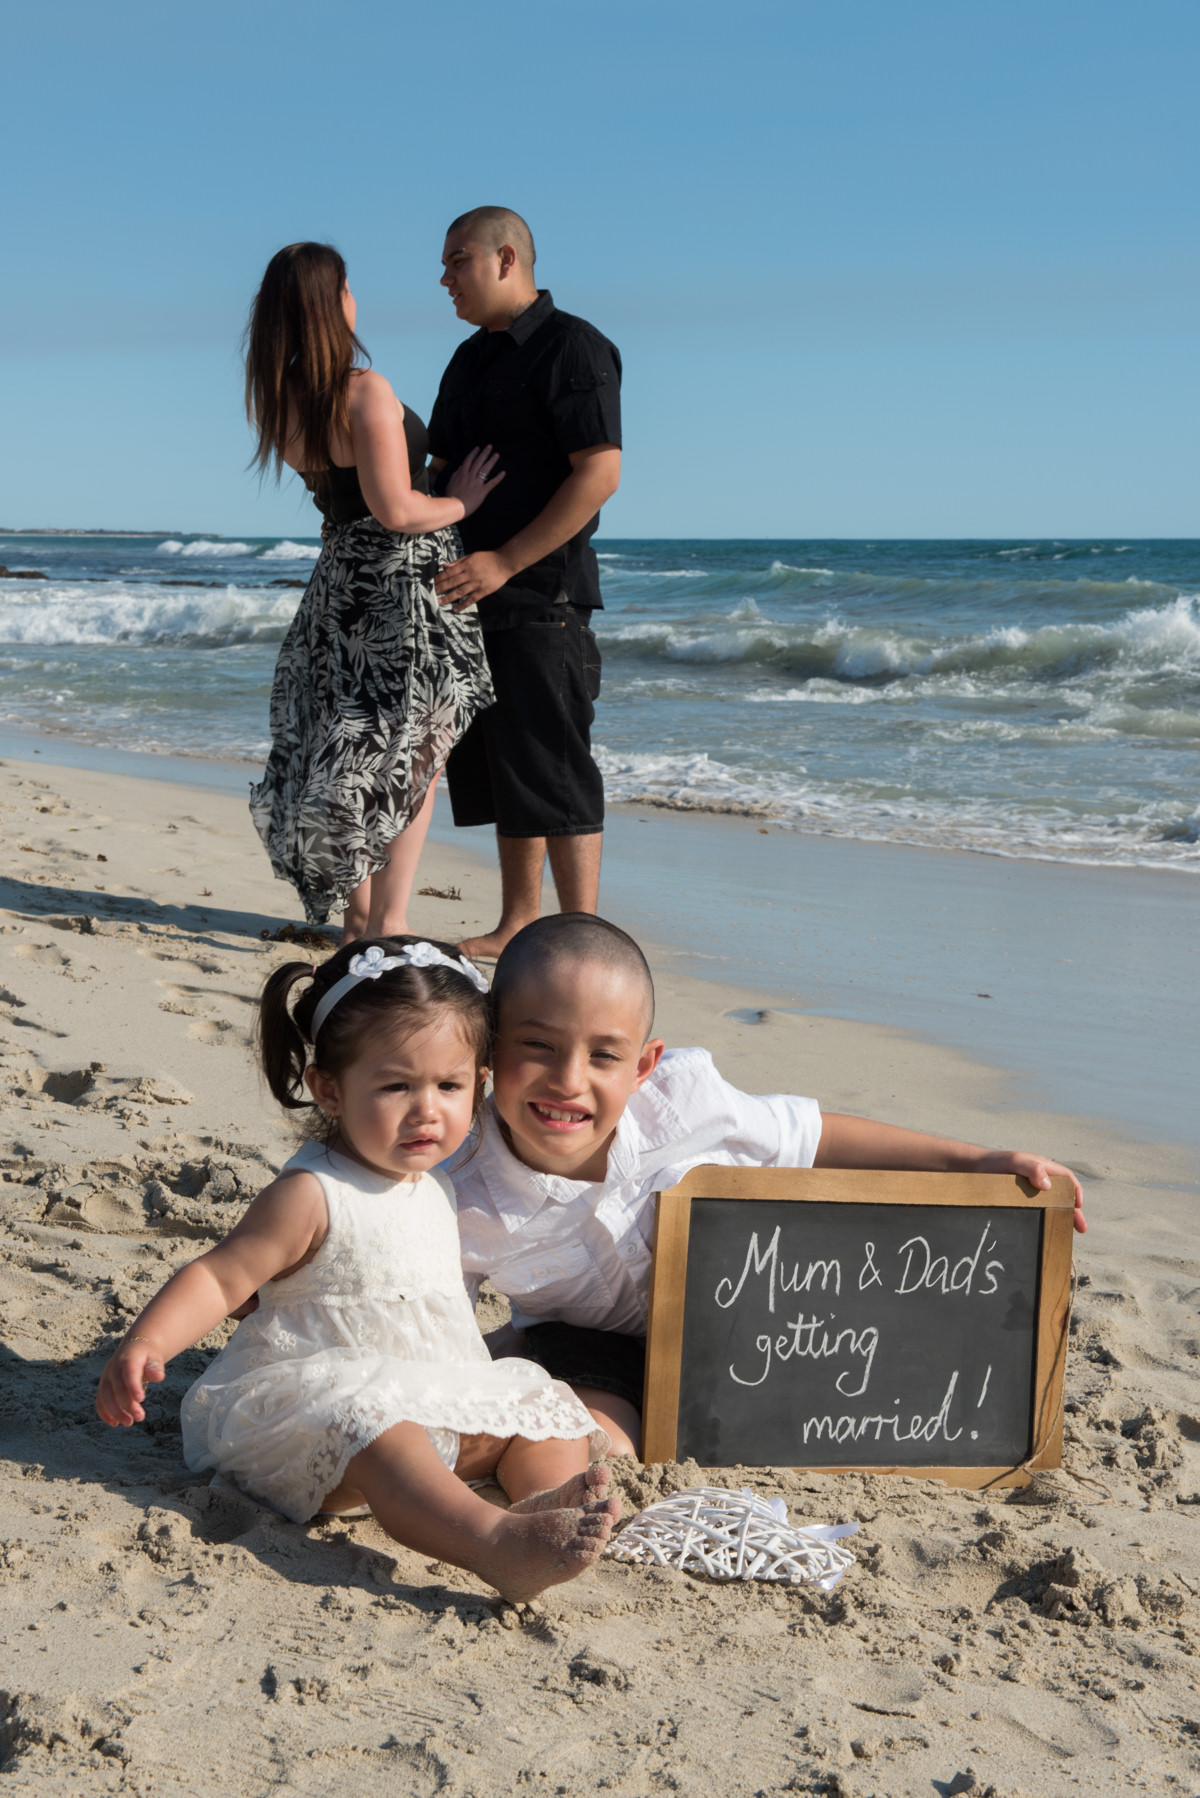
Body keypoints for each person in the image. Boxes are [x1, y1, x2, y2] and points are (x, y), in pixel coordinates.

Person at [96, 935, 619, 1604]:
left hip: (426, 1393)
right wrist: (147, 1342)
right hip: (319, 1418)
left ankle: (540, 1503)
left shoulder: (435, 1185)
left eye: (450, 1085)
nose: (427, 1109)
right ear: (330, 1088)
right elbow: (222, 1278)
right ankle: (491, 1543)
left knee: (539, 1406)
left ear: (479, 1084)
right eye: (397, 1085)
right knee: (382, 1430)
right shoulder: (313, 1193)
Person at [449, 914, 1088, 1457]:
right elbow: (429, 1318)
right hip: (591, 1348)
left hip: (750, 1339)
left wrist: (973, 1163)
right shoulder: (459, 1189)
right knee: (605, 1447)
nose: (568, 1079)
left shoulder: (686, 1103)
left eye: (604, 1056)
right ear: (492, 1047)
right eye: (538, 1045)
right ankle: (524, 1354)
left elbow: (815, 1139)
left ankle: (521, 1353)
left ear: (644, 1065)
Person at [245, 242, 499, 944]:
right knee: (414, 750)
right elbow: (395, 509)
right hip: (398, 585)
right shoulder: (364, 389)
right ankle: (387, 920)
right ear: (335, 302)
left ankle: (361, 916)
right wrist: (462, 502)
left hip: (338, 584)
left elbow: (343, 503)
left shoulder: (280, 400)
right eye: (349, 287)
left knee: (347, 748)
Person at [426, 207, 622, 960]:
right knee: (505, 763)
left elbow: (599, 474)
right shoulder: (469, 360)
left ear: (507, 258)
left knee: (553, 758)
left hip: (547, 595)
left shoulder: (574, 347)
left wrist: (506, 559)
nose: (445, 279)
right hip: (470, 593)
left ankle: (581, 934)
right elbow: (441, 468)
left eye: (457, 261)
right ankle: (517, 922)